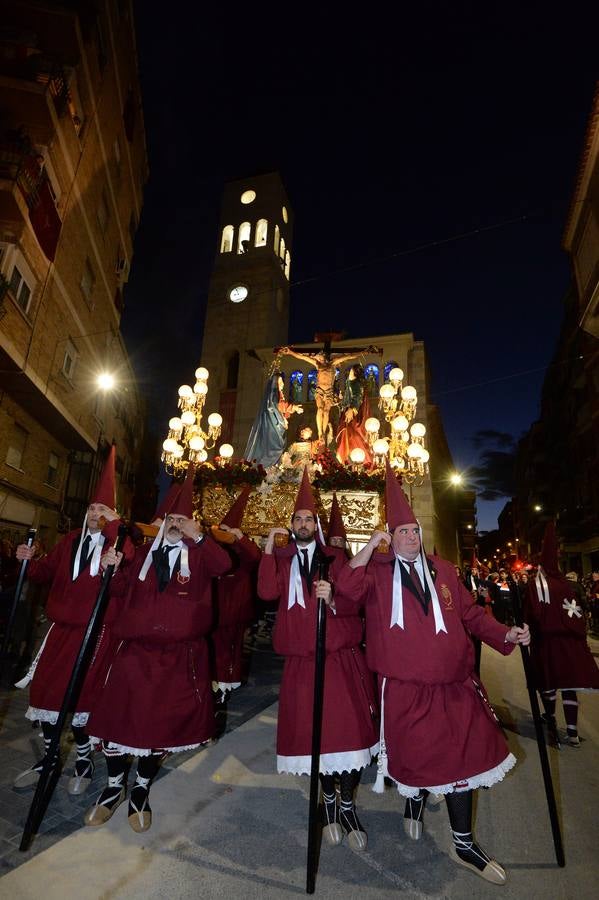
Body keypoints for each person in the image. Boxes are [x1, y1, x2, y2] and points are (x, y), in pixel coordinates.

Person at [334, 462, 530, 884]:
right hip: (405, 689)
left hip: (456, 685)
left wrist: (506, 633)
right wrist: (370, 546)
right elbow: (345, 593)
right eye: (402, 531)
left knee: (464, 759)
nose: (411, 537)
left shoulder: (443, 571)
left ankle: (463, 843)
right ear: (390, 535)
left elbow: (473, 615)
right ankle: (414, 803)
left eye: (415, 531)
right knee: (422, 759)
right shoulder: (376, 571)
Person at [84, 465, 231, 832]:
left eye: (183, 519)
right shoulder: (142, 553)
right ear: (162, 522)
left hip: (178, 658)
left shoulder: (199, 555)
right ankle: (114, 787)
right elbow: (118, 594)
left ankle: (141, 791)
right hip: (134, 653)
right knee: (117, 722)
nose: (176, 524)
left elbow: (224, 564)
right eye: (171, 518)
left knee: (159, 727)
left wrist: (200, 539)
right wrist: (113, 570)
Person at [258, 468, 378, 850]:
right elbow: (264, 592)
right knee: (316, 739)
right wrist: (265, 549)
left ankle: (346, 803)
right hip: (301, 663)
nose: (303, 523)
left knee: (350, 734)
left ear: (317, 524)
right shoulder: (281, 558)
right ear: (291, 524)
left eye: (309, 518)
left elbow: (356, 600)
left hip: (339, 659)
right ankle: (327, 802)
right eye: (298, 519)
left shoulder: (335, 557)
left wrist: (335, 598)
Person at [13, 447, 134, 795]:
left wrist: (115, 547)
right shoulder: (69, 541)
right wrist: (26, 560)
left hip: (94, 637)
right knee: (45, 695)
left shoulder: (122, 546)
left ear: (114, 516)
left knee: (81, 700)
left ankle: (82, 757)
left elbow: (123, 589)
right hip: (59, 633)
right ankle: (51, 755)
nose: (95, 513)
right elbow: (42, 573)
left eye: (103, 510)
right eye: (92, 508)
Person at [524, 523, 599, 748]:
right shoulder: (568, 583)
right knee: (568, 685)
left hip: (548, 641)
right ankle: (573, 733)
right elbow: (577, 612)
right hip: (570, 642)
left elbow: (533, 612)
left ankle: (550, 719)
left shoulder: (537, 583)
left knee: (549, 682)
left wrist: (529, 631)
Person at [209, 486, 261, 705]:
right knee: (212, 649)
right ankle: (211, 684)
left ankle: (223, 686)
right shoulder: (214, 546)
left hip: (234, 610)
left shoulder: (243, 550)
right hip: (212, 608)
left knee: (229, 650)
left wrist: (239, 539)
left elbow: (254, 556)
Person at [281, 345, 373, 445]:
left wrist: (363, 352)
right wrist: (290, 352)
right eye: (320, 356)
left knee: (326, 411)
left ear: (326, 357)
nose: (320, 357)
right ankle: (320, 432)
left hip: (329, 392)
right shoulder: (317, 364)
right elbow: (302, 357)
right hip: (319, 390)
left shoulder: (333, 363)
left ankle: (323, 434)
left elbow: (349, 356)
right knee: (320, 409)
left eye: (322, 356)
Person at [244, 373, 302, 468]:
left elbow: (280, 406)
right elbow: (274, 406)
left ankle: (272, 468)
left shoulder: (278, 393)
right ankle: (266, 467)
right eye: (280, 382)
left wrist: (289, 411)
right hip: (273, 423)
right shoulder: (273, 393)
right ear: (275, 383)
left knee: (279, 447)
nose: (282, 384)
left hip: (277, 423)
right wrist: (292, 408)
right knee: (276, 447)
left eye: (282, 381)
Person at [335, 364, 373, 467]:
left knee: (351, 434)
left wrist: (352, 409)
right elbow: (348, 398)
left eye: (351, 371)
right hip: (347, 411)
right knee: (346, 434)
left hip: (352, 415)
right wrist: (340, 400)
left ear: (355, 372)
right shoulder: (350, 383)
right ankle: (347, 458)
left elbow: (357, 396)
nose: (349, 372)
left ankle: (356, 459)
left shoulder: (356, 383)